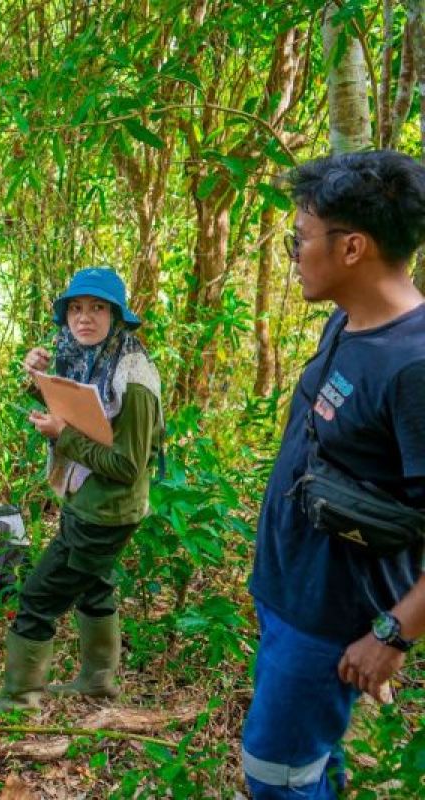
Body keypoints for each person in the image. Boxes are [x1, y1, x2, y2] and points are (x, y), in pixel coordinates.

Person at [242, 151, 425, 799]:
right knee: (307, 763)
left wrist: (392, 634)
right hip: (290, 595)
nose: (293, 253)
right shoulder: (346, 321)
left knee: (275, 777)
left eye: (300, 239)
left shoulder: (414, 368)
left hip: (332, 621)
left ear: (352, 248)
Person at [0, 267, 162, 716]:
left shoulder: (132, 377)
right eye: (77, 308)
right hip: (85, 501)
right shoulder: (83, 356)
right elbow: (76, 412)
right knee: (93, 587)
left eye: (98, 308)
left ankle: (18, 700)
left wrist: (63, 435)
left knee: (38, 598)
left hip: (106, 512)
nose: (85, 318)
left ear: (116, 314)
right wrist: (35, 379)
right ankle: (99, 681)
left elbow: (125, 464)